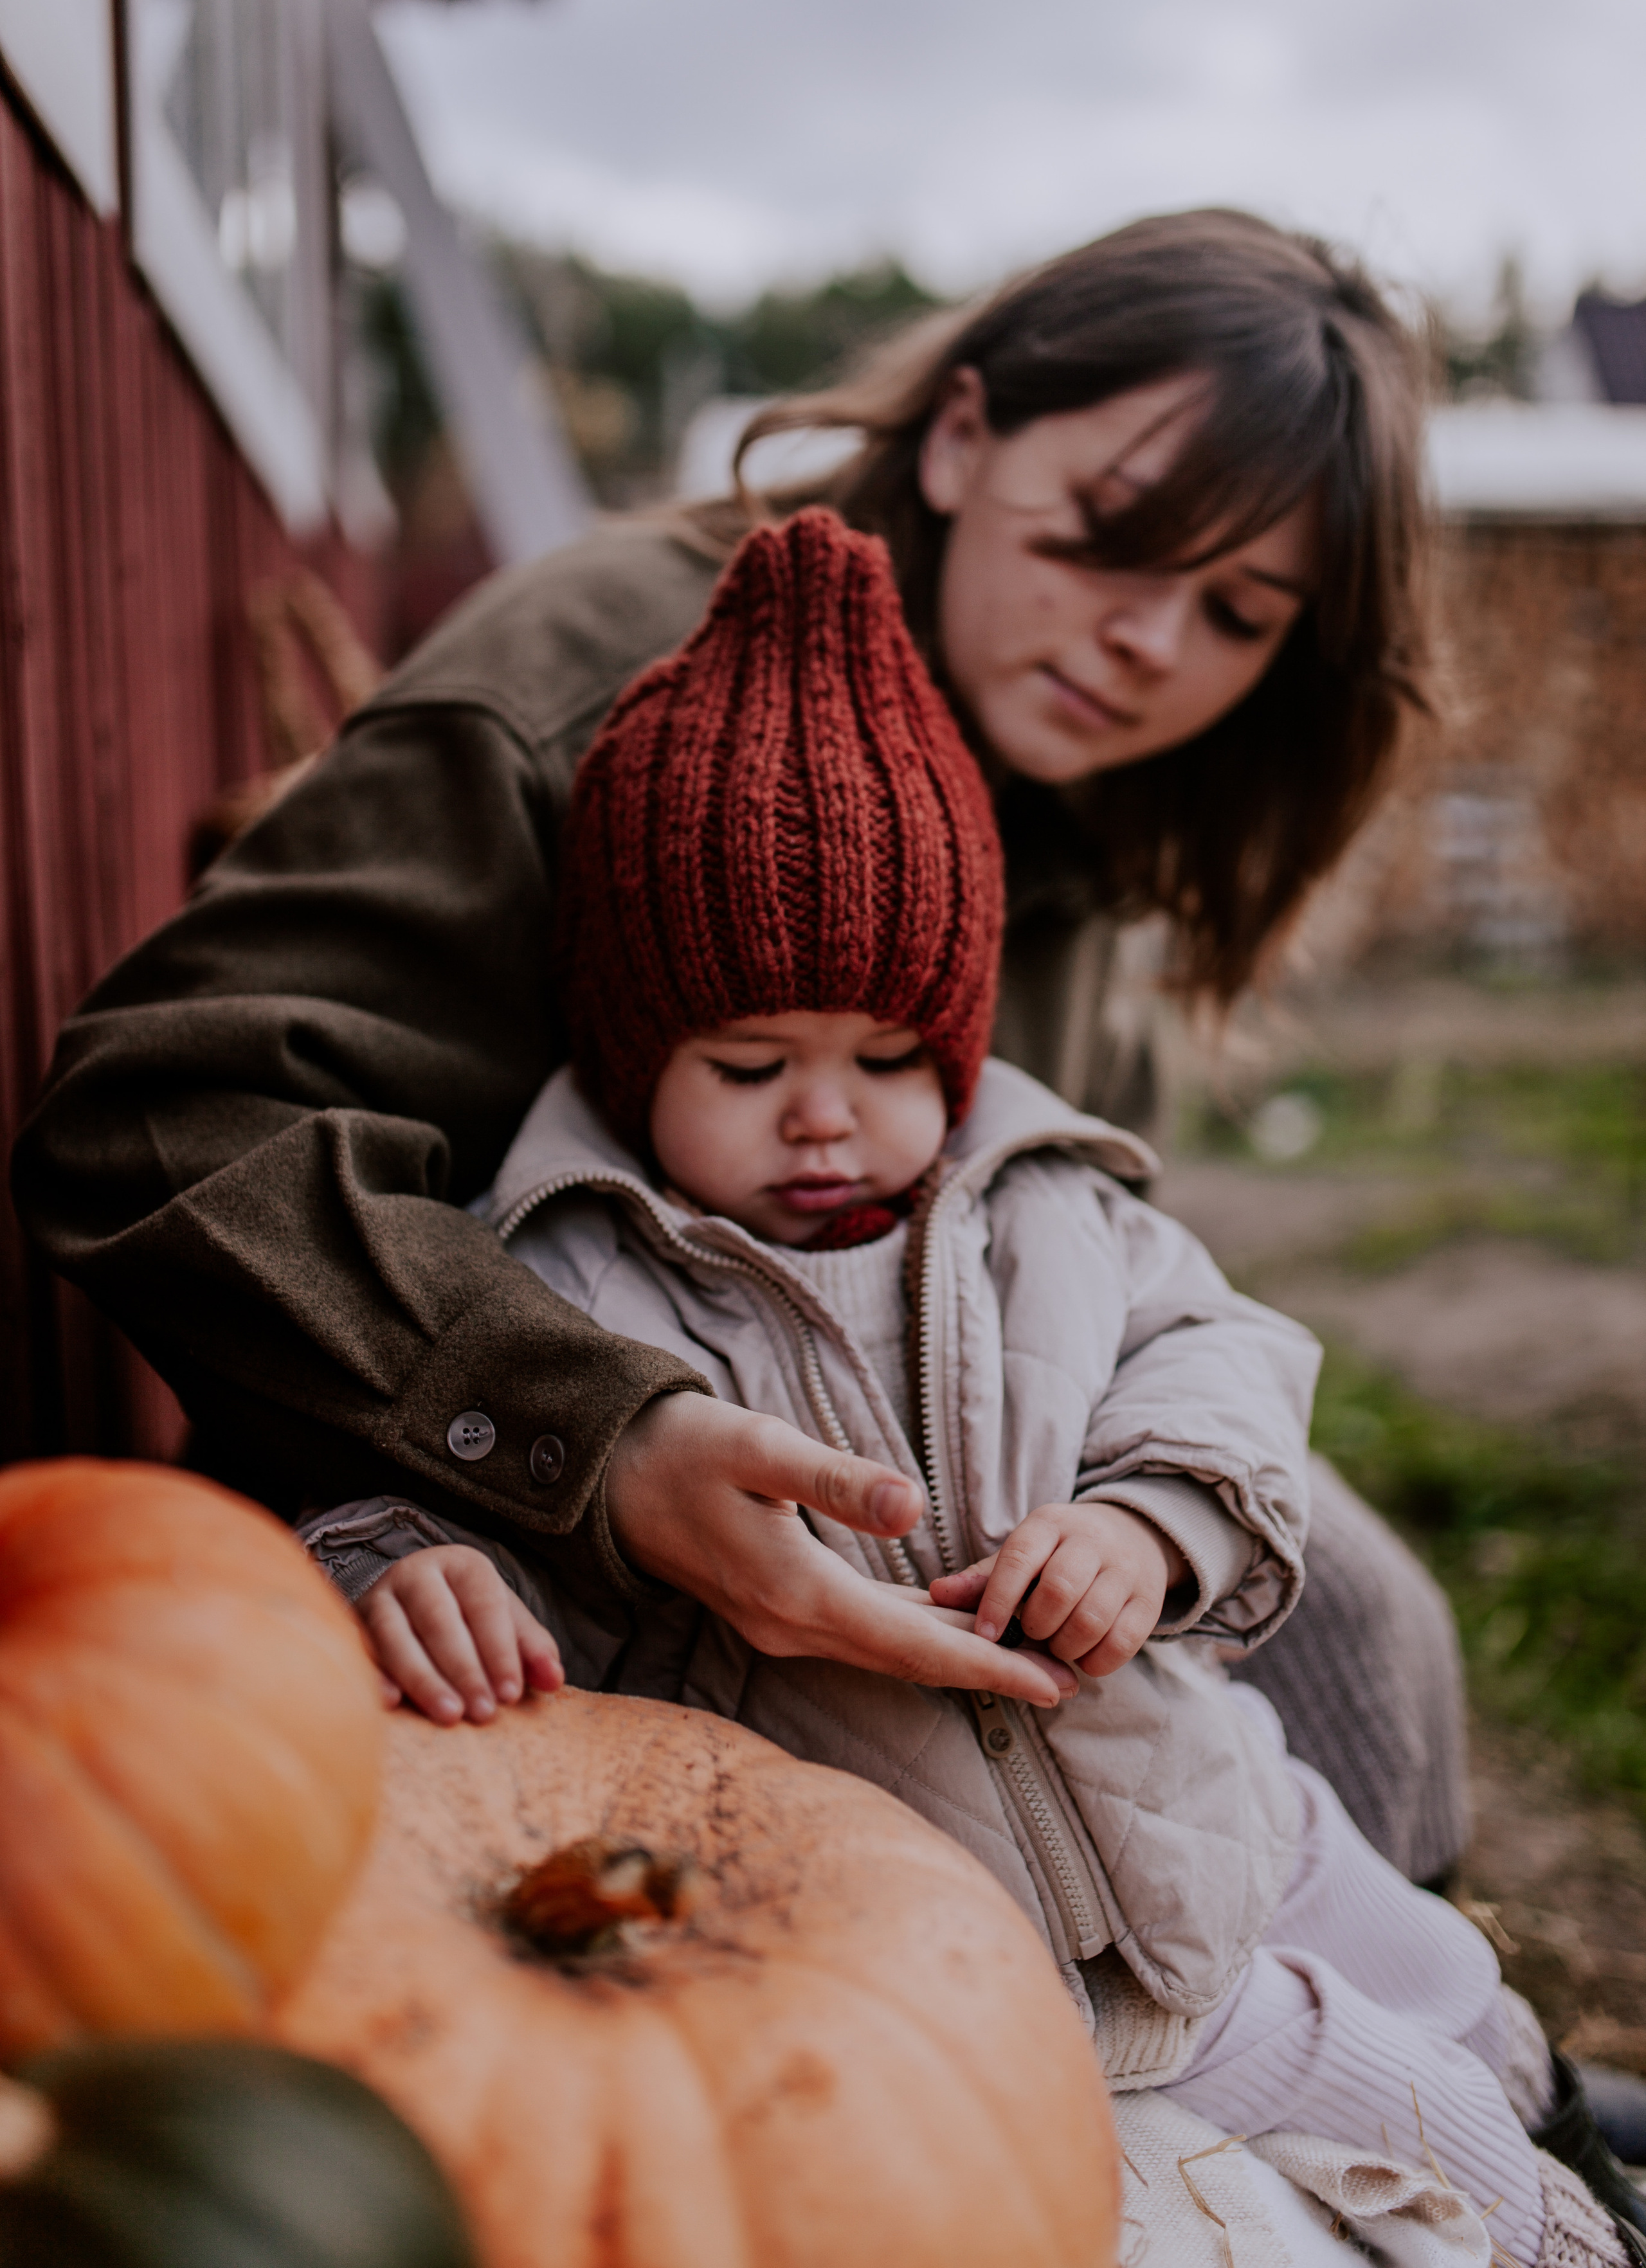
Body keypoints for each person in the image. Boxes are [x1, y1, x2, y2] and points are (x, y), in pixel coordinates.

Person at [12, 207, 1460, 1877]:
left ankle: (1453, 2052)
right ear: (968, 435)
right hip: (484, 1554)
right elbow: (163, 1112)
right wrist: (602, 1440)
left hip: (942, 1523)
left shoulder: (1091, 803)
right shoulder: (588, 685)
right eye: (1111, 537)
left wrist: (1143, 1493)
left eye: (1240, 612)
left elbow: (1087, 1261)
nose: (1152, 640)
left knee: (1361, 1625)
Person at [301, 512, 1641, 2268]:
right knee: (1380, 2101)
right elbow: (415, 1468)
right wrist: (392, 1570)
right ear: (632, 1059)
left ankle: (1548, 2104)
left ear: (959, 1039)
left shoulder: (1047, 1198)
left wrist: (1153, 1527)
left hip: (1200, 1787)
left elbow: (1225, 1357)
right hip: (992, 1922)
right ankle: (1560, 2222)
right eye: (751, 1063)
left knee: (1447, 1985)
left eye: (885, 1059)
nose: (826, 1117)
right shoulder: (562, 1278)